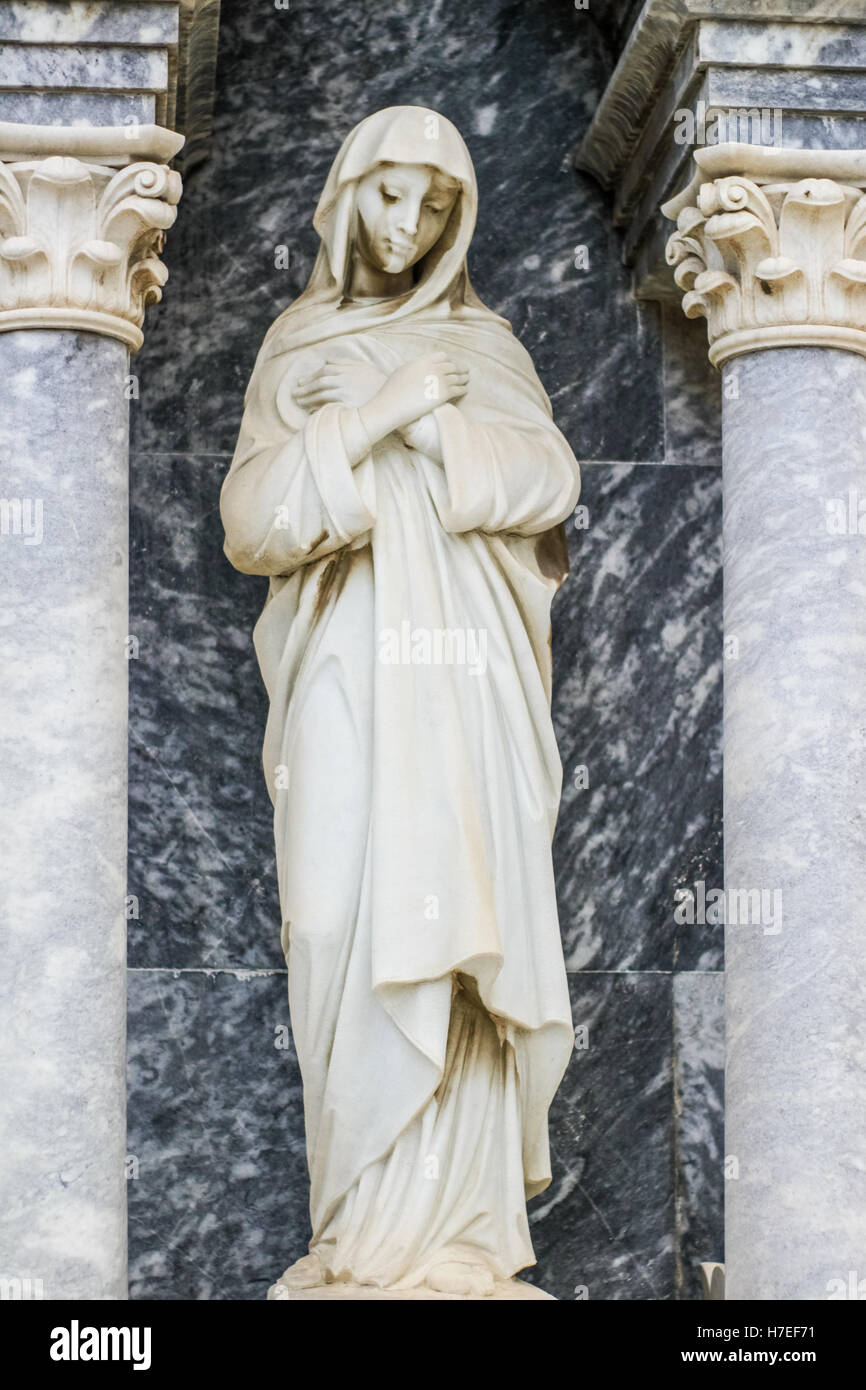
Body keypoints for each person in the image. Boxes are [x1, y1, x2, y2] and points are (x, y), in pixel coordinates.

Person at [221, 105, 581, 1297]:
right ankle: (359, 1237)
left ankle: (462, 1244)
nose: (405, 225)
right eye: (387, 196)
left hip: (467, 687)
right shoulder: (299, 346)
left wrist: (432, 420)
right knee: (339, 917)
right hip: (346, 674)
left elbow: (546, 479)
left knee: (463, 923)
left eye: (432, 206)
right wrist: (365, 414)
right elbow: (251, 525)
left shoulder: (484, 348)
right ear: (345, 196)